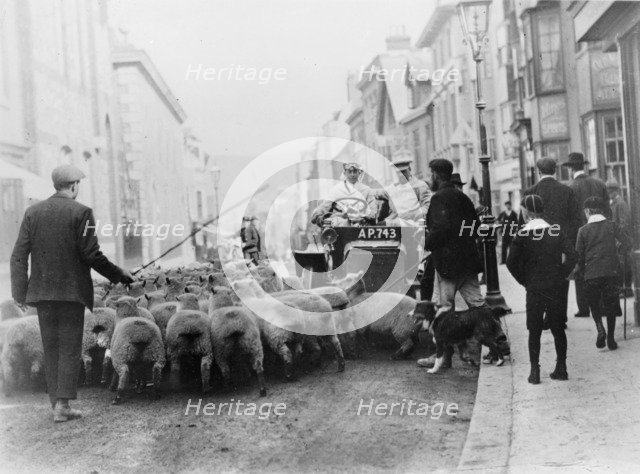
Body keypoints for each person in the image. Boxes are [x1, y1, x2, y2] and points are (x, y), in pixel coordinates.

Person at [10, 164, 134, 423]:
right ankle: (62, 406)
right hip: (71, 294)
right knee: (68, 347)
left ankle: (57, 402)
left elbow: (19, 256)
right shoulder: (82, 212)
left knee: (51, 346)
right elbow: (91, 254)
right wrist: (118, 275)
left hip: (42, 294)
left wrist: (19, 293)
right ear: (75, 185)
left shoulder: (32, 212)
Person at [417, 159, 485, 368]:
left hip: (447, 265)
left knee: (443, 310)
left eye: (431, 175)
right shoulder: (462, 197)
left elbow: (441, 229)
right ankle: (495, 347)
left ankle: (443, 358)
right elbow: (475, 226)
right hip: (468, 262)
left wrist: (427, 242)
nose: (430, 179)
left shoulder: (438, 198)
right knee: (478, 305)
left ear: (437, 175)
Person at [507, 195, 576, 384]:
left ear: (527, 212)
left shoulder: (522, 234)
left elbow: (510, 262)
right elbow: (572, 255)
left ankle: (534, 371)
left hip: (534, 288)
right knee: (558, 328)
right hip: (555, 286)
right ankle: (561, 367)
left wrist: (525, 280)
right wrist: (561, 274)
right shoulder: (555, 231)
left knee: (534, 329)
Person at [522, 158, 582, 325]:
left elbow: (525, 222)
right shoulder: (567, 191)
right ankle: (560, 317)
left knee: (542, 279)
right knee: (561, 279)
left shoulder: (530, 192)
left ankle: (548, 315)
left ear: (538, 171)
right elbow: (576, 220)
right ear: (555, 171)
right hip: (560, 243)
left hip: (537, 244)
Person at [575, 196, 627, 351]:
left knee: (594, 304)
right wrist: (618, 252)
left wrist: (583, 273)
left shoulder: (582, 231)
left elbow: (579, 256)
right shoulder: (611, 225)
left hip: (592, 275)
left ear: (588, 211)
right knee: (611, 305)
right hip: (611, 272)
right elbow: (626, 242)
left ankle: (600, 328)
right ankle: (611, 339)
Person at [562, 152, 610, 318]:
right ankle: (603, 305)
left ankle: (584, 308)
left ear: (570, 169)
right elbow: (608, 211)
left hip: (579, 234)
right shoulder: (599, 184)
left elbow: (568, 218)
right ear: (583, 166)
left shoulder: (568, 188)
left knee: (580, 268)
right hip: (602, 232)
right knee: (601, 267)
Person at [311, 162, 382, 226]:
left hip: (363, 226)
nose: (352, 175)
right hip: (341, 227)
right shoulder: (336, 190)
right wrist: (318, 214)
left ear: (359, 173)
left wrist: (359, 215)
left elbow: (373, 213)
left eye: (355, 172)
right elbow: (325, 206)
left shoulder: (367, 190)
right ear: (345, 173)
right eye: (349, 172)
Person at [385, 153, 431, 227]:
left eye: (403, 172)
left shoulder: (420, 186)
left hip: (415, 224)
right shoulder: (392, 188)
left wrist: (413, 215)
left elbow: (426, 205)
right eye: (398, 172)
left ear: (409, 169)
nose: (401, 175)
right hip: (395, 224)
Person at [607, 179, 633, 295]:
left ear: (615, 191)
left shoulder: (621, 204)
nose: (609, 193)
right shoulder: (612, 203)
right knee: (620, 265)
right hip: (617, 239)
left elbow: (624, 223)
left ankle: (627, 289)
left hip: (622, 240)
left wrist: (618, 238)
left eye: (611, 190)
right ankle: (623, 289)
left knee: (625, 265)